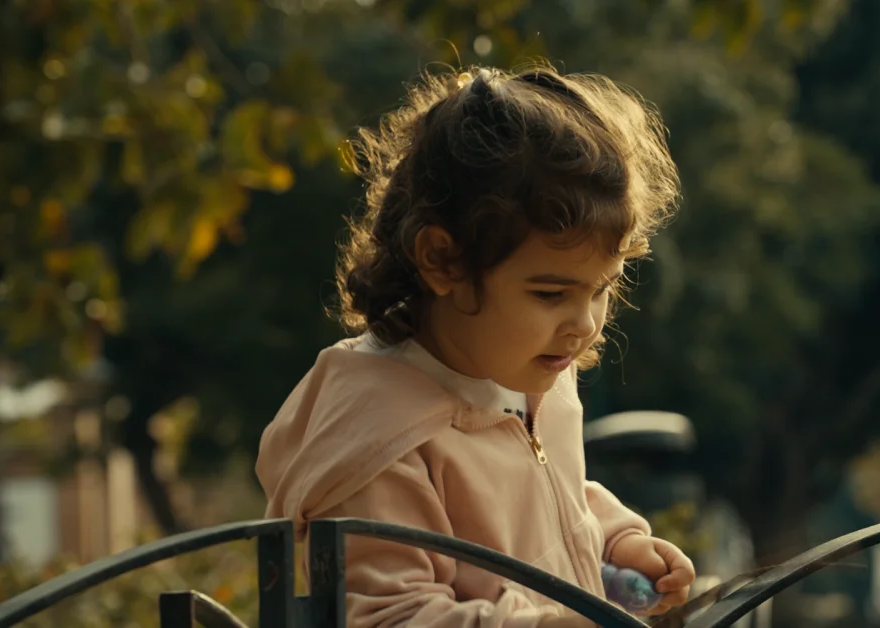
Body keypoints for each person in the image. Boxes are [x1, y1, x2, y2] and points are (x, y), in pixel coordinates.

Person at [256, 62, 694, 627]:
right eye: (550, 292)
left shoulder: (529, 375)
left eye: (601, 290)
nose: (583, 323)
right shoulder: (379, 439)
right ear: (443, 260)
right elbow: (392, 616)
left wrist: (616, 541)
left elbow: (541, 501)